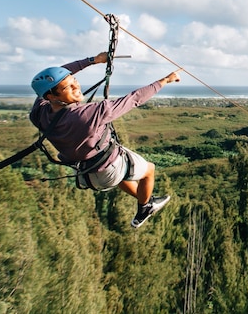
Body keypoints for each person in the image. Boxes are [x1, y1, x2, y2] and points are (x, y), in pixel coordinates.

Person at [29, 53, 180, 228]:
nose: (76, 86)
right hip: (108, 169)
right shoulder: (87, 115)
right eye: (68, 87)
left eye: (74, 81)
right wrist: (165, 80)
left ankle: (142, 200)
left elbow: (60, 74)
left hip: (89, 175)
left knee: (125, 175)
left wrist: (93, 60)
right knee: (149, 170)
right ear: (52, 97)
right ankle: (145, 207)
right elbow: (134, 99)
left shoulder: (38, 114)